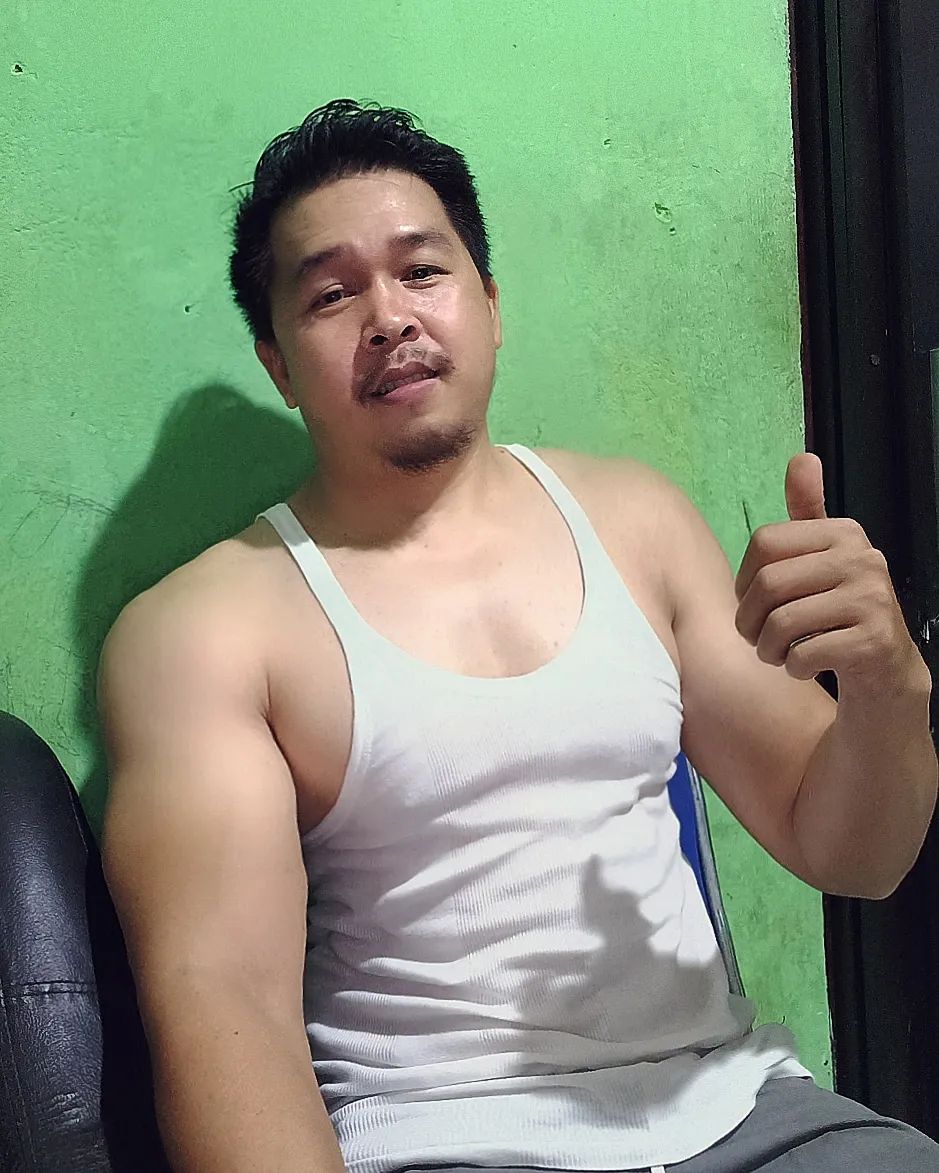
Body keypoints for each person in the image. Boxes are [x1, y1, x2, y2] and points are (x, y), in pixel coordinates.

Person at [98, 99, 939, 1173]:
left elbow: (855, 853)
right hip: (449, 1139)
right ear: (278, 364)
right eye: (331, 294)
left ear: (490, 306)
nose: (389, 317)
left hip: (743, 1115)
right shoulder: (206, 630)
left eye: (423, 271)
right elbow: (227, 1012)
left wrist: (887, 689)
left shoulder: (636, 522)